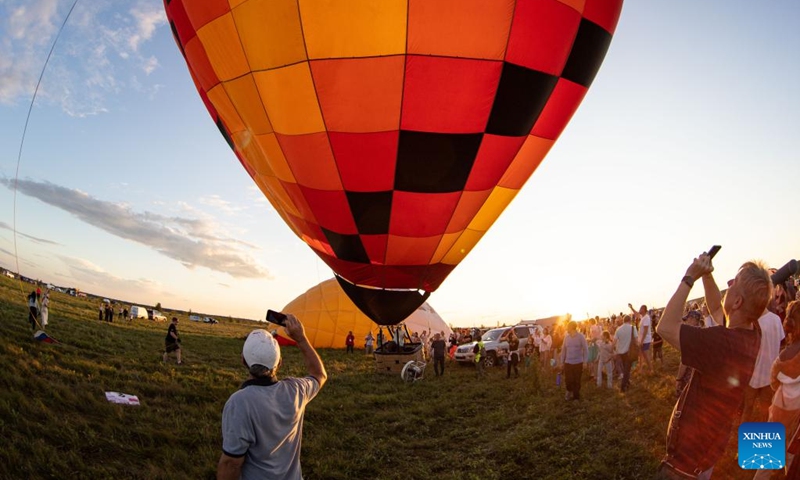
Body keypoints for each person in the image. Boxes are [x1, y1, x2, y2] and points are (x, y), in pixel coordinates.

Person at [655, 253, 771, 479]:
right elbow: (719, 310)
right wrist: (708, 276)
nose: (727, 289)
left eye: (732, 286)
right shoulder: (751, 332)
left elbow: (666, 326)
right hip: (706, 455)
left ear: (737, 302)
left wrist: (689, 277)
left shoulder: (720, 343)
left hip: (683, 467)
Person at [217, 314, 327, 480]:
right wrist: (301, 339)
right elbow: (319, 374)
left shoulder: (239, 402)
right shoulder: (296, 390)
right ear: (280, 363)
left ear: (243, 361)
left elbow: (231, 463)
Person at [755, 301, 800, 479]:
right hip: (797, 420)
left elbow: (774, 383)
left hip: (779, 410)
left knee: (764, 460)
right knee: (793, 459)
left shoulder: (781, 358)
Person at [741, 308, 785, 424]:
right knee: (764, 412)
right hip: (769, 374)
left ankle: (743, 439)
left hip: (753, 374)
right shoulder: (776, 319)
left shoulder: (752, 322)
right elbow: (780, 342)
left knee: (748, 409)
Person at [560, 321, 588, 400]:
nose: (566, 328)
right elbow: (563, 350)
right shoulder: (566, 337)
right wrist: (562, 362)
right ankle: (569, 390)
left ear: (572, 327)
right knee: (568, 380)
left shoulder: (581, 337)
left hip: (578, 362)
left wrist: (585, 361)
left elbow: (586, 349)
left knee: (577, 380)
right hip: (568, 362)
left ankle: (576, 397)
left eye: (568, 327)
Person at [613, 315, 637, 393]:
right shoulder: (633, 328)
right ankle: (623, 386)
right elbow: (636, 340)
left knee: (625, 368)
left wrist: (612, 349)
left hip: (621, 352)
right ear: (630, 320)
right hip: (629, 352)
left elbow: (614, 341)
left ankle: (627, 382)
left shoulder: (618, 329)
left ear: (623, 321)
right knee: (627, 370)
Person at [629, 302, 654, 374]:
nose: (639, 309)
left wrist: (642, 340)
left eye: (640, 308)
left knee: (646, 355)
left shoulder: (646, 318)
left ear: (643, 309)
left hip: (645, 340)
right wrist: (631, 308)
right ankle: (641, 369)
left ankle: (651, 369)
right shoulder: (643, 317)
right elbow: (636, 314)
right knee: (641, 354)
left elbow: (646, 330)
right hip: (642, 340)